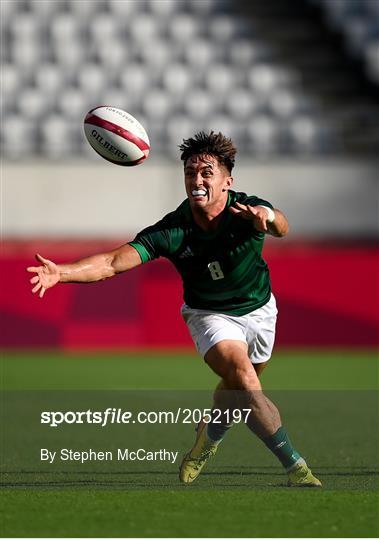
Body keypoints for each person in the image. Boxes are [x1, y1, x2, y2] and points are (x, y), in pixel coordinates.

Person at [27, 131, 321, 487]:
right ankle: (297, 469)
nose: (196, 180)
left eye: (206, 173)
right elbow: (113, 262)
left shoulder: (246, 210)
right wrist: (63, 272)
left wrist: (269, 217)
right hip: (209, 315)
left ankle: (208, 437)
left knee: (238, 390)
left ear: (227, 181)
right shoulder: (173, 230)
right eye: (190, 173)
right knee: (244, 381)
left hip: (260, 311)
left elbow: (282, 226)